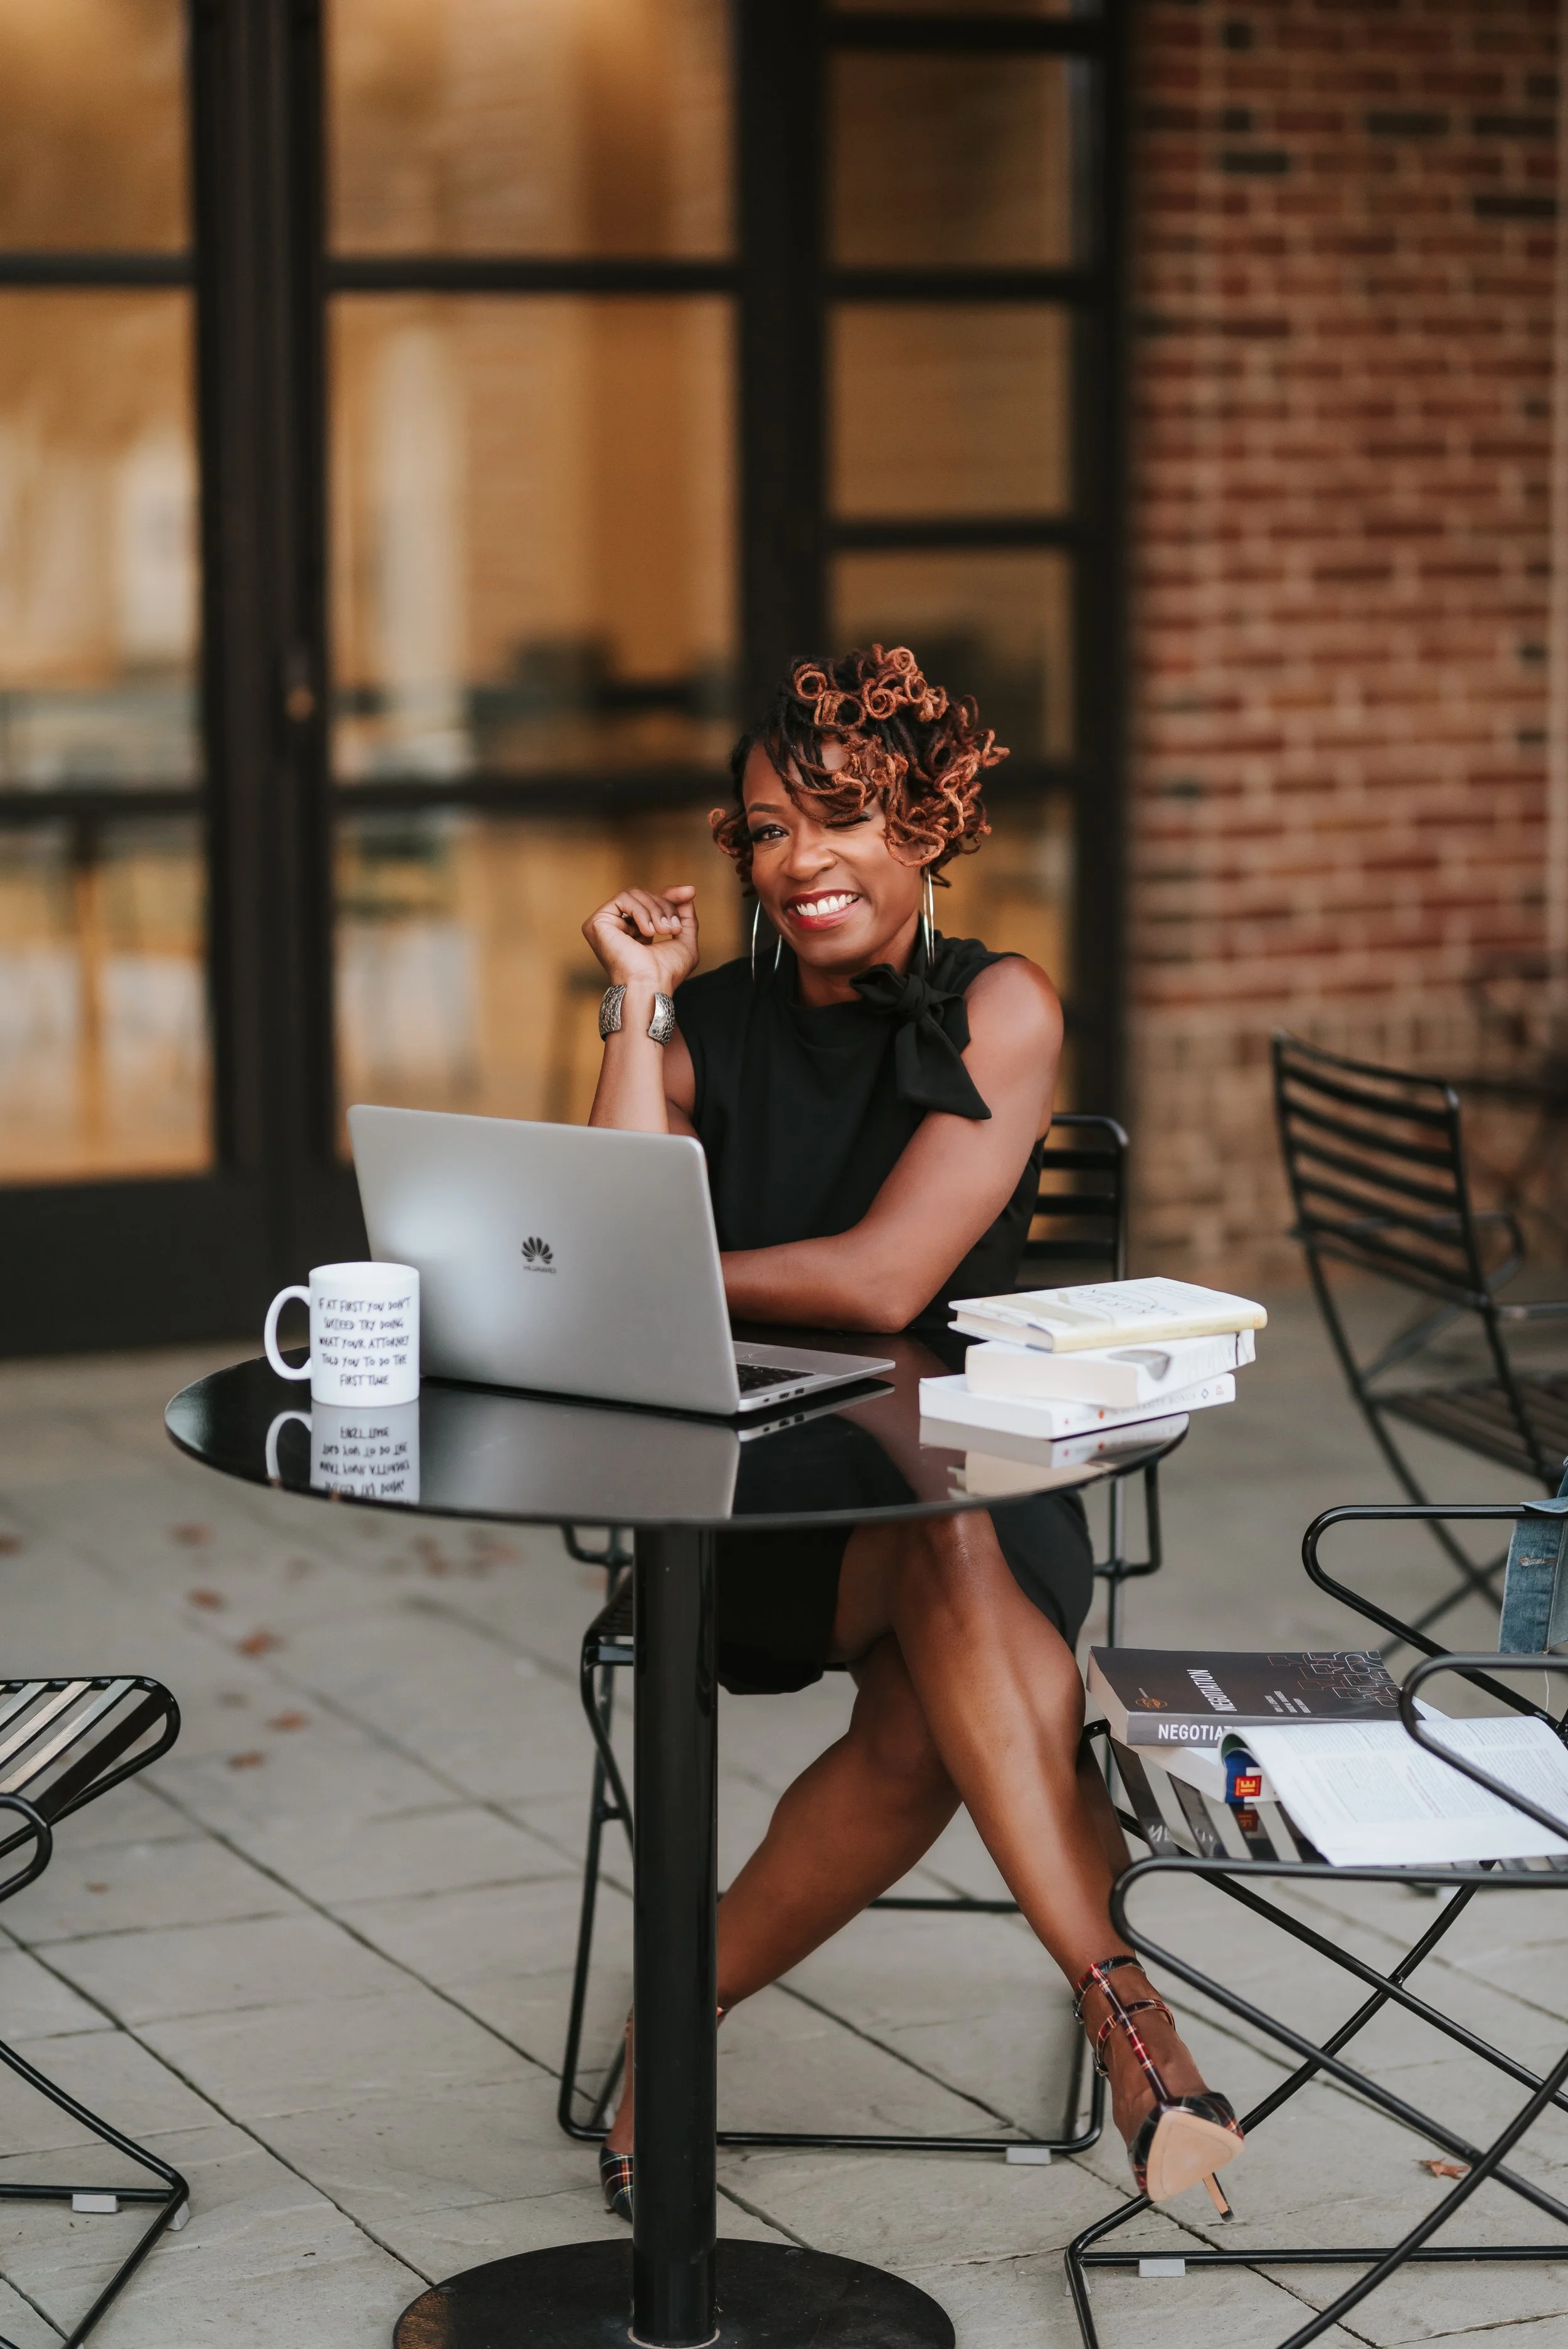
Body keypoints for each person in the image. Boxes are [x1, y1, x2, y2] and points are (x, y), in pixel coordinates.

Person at [580, 644, 1244, 2220]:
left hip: (961, 1470)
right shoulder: (708, 1020)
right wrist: (631, 1002)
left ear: (926, 827)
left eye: (842, 817)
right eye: (762, 828)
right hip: (743, 1493)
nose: (797, 859)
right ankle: (1138, 2035)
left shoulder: (996, 1004)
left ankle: (675, 2036)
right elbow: (606, 1228)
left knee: (935, 1622)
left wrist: (658, 1275)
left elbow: (885, 1282)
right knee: (947, 1653)